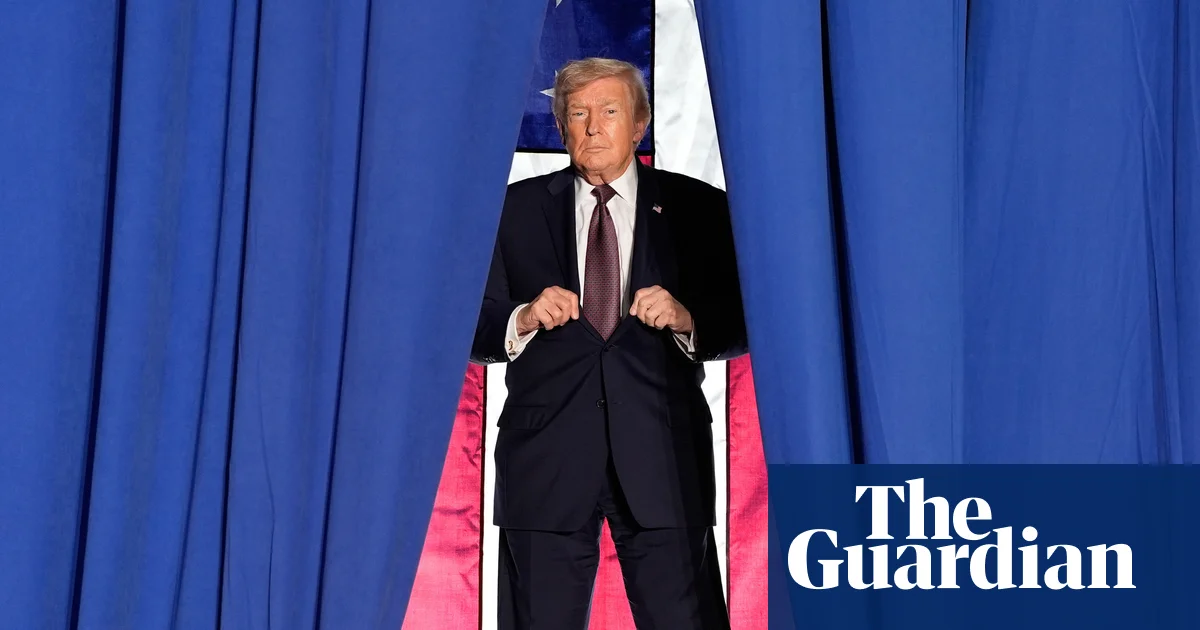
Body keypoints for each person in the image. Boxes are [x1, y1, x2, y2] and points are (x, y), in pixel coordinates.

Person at [471, 57, 747, 629]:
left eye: (610, 111)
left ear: (639, 124)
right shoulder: (508, 211)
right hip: (544, 466)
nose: (593, 127)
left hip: (665, 463)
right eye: (578, 114)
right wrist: (522, 318)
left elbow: (748, 318)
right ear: (561, 127)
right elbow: (466, 327)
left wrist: (688, 319)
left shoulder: (699, 209)